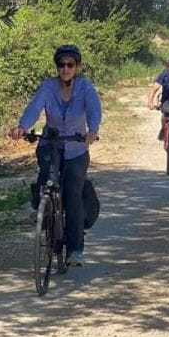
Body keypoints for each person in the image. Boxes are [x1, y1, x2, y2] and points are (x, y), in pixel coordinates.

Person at [10, 45, 101, 266]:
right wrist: (22, 126)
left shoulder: (85, 87)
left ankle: (75, 250)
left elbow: (94, 109)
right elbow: (34, 107)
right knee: (47, 178)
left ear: (77, 67)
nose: (65, 68)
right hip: (51, 143)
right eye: (62, 64)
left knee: (72, 193)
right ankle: (44, 212)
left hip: (76, 147)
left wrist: (93, 130)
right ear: (57, 67)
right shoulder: (48, 87)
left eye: (70, 64)